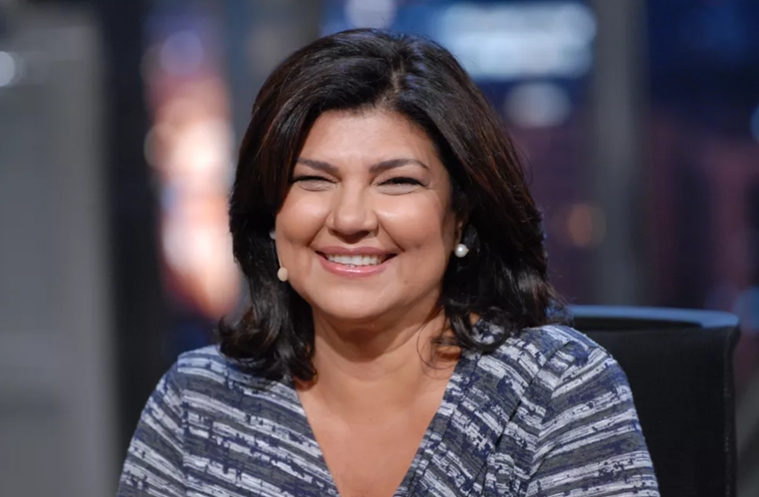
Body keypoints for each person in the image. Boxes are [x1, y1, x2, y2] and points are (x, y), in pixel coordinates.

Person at [117, 29, 659, 497]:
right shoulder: (197, 403)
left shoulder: (553, 389)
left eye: (397, 182)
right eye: (313, 180)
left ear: (460, 217)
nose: (350, 218)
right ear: (271, 215)